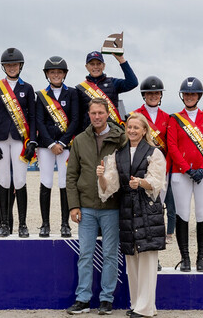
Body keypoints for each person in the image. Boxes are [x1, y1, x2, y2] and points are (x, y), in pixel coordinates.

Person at [65, 98, 126, 316]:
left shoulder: (120, 138)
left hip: (111, 206)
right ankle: (82, 299)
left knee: (110, 254)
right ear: (89, 115)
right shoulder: (80, 140)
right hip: (87, 206)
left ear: (108, 113)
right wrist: (73, 206)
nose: (97, 117)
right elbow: (71, 176)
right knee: (85, 254)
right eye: (93, 113)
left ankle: (106, 299)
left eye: (101, 112)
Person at [109, 113, 167, 318]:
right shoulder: (120, 152)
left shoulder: (155, 152)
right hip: (127, 208)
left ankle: (145, 308)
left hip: (147, 208)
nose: (132, 131)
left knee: (148, 258)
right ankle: (139, 305)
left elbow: (157, 182)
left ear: (144, 130)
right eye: (129, 127)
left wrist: (141, 183)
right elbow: (113, 184)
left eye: (136, 127)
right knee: (132, 259)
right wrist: (101, 178)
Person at [165, 77, 203, 272]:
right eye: (186, 94)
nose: (189, 97)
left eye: (192, 94)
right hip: (181, 173)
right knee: (182, 215)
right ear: (182, 96)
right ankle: (185, 258)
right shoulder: (174, 119)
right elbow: (172, 146)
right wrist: (187, 169)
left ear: (198, 96)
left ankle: (201, 258)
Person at [34, 56, 86, 238]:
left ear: (64, 74)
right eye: (52, 72)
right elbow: (39, 121)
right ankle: (45, 224)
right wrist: (50, 143)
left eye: (59, 72)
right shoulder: (41, 95)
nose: (56, 75)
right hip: (45, 146)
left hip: (66, 145)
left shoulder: (72, 93)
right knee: (46, 182)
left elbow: (75, 119)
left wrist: (63, 142)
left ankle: (65, 224)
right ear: (47, 74)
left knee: (65, 182)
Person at [0, 47, 37, 237]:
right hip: (0, 139)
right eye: (8, 65)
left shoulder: (27, 88)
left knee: (20, 180)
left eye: (14, 64)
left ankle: (23, 224)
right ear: (4, 67)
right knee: (3, 181)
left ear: (20, 66)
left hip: (19, 140)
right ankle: (4, 224)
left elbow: (32, 117)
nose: (11, 68)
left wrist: (32, 141)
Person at [132, 76, 175, 242]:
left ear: (160, 95)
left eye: (156, 93)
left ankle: (158, 238)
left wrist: (165, 169)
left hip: (160, 169)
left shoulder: (168, 118)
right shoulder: (136, 115)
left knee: (157, 206)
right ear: (144, 94)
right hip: (141, 168)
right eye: (150, 93)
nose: (153, 96)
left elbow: (170, 147)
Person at [76, 51, 139, 128]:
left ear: (104, 66)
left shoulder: (113, 83)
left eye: (98, 64)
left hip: (112, 132)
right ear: (87, 67)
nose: (95, 67)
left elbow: (133, 83)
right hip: (90, 134)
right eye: (92, 64)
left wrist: (121, 60)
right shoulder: (80, 89)